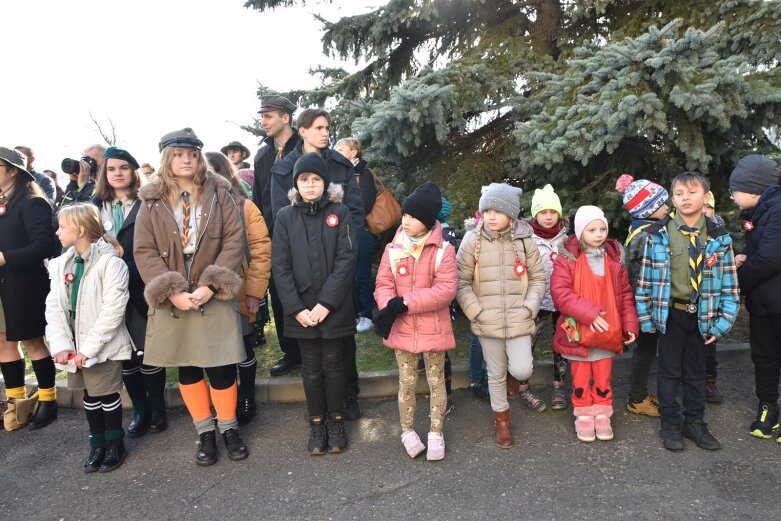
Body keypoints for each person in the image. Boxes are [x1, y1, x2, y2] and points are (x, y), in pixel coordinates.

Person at [134, 128, 249, 466]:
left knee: (222, 363)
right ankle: (205, 431)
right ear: (167, 160)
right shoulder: (151, 199)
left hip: (211, 282)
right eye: (178, 154)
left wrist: (210, 285)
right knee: (187, 365)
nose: (186, 159)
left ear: (200, 158)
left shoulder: (219, 193)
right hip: (174, 289)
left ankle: (229, 427)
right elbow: (144, 250)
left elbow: (234, 240)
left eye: (192, 154)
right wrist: (172, 291)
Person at [271, 108, 366, 420]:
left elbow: (354, 210)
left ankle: (348, 395)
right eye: (319, 127)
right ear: (302, 130)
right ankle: (319, 409)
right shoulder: (283, 168)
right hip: (300, 268)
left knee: (342, 341)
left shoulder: (339, 164)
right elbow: (279, 214)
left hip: (336, 261)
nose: (326, 133)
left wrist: (340, 236)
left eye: (328, 127)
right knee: (311, 353)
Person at [635, 172, 739, 452]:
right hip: (670, 314)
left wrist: (722, 324)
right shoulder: (657, 236)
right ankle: (670, 423)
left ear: (705, 198)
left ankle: (695, 422)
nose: (685, 198)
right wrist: (646, 320)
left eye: (692, 193)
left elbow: (730, 286)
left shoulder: (720, 239)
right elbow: (644, 282)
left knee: (695, 372)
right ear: (673, 198)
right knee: (668, 373)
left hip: (703, 316)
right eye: (679, 193)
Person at [272, 153, 357, 454]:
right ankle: (316, 422)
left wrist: (326, 304)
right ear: (296, 183)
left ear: (325, 182)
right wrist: (296, 308)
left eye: (316, 179)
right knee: (310, 367)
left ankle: (336, 421)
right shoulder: (285, 217)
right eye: (304, 180)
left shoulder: (340, 211)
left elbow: (346, 260)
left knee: (334, 365)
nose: (310, 185)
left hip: (332, 308)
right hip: (302, 310)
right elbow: (280, 267)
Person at [456, 183, 546, 448]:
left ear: (511, 213)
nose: (491, 216)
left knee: (522, 368)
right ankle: (502, 422)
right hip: (487, 320)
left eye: (497, 211)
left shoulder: (524, 240)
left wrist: (529, 307)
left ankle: (513, 378)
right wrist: (476, 311)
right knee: (495, 373)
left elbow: (538, 278)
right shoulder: (472, 241)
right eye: (486, 211)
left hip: (519, 318)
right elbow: (461, 283)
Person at [46, 204, 133, 472]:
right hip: (74, 345)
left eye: (62, 226)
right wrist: (61, 344)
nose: (57, 232)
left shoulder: (111, 264)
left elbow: (113, 311)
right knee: (89, 395)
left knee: (105, 393)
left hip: (100, 346)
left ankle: (115, 443)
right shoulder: (61, 265)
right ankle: (97, 443)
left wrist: (89, 347)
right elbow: (54, 307)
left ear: (80, 230)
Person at [375, 182, 457, 460]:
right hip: (403, 328)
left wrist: (405, 303)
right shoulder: (393, 248)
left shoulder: (444, 251)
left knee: (436, 382)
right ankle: (407, 430)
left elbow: (444, 291)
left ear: (428, 220)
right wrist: (388, 305)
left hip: (433, 327)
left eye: (413, 216)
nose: (405, 220)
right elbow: (383, 283)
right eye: (405, 215)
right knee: (407, 381)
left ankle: (436, 431)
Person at [91, 146, 168, 437]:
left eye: (123, 168)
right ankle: (140, 410)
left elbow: (158, 246)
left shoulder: (149, 202)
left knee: (147, 351)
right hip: (109, 291)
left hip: (141, 285)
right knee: (125, 355)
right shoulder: (95, 206)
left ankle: (158, 408)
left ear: (133, 171)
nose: (118, 173)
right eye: (111, 169)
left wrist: (131, 271)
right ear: (105, 174)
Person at [550, 205, 639, 442]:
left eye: (602, 228)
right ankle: (583, 413)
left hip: (607, 330)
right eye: (592, 230)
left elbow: (625, 295)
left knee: (602, 374)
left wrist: (630, 324)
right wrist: (590, 314)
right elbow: (561, 293)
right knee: (580, 375)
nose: (599, 234)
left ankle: (602, 411)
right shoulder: (567, 260)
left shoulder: (614, 260)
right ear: (580, 233)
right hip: (580, 330)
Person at [206, 151, 271, 426]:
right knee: (216, 352)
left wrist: (255, 290)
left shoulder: (244, 206)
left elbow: (260, 250)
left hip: (240, 290)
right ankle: (225, 401)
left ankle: (247, 397)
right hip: (207, 295)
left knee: (243, 345)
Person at [0, 147, 58, 429]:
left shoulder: (32, 202)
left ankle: (48, 400)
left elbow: (44, 246)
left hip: (24, 285)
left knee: (32, 341)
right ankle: (15, 405)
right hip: (2, 284)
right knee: (3, 342)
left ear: (13, 171)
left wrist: (5, 258)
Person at [728, 154, 781, 441]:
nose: (733, 197)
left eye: (735, 190)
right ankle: (767, 408)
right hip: (763, 304)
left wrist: (736, 283)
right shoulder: (759, 212)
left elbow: (771, 259)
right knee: (764, 357)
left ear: (753, 189)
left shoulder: (777, 209)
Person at [252, 95, 302, 377]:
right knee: (279, 294)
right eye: (262, 116)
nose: (264, 121)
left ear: (286, 117)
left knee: (306, 291)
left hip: (304, 234)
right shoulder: (262, 155)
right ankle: (290, 351)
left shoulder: (305, 146)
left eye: (269, 115)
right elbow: (259, 200)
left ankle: (310, 348)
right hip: (273, 237)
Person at [615, 174, 668, 418]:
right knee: (645, 351)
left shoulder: (648, 229)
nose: (667, 208)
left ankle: (640, 394)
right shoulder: (645, 235)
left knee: (648, 350)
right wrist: (644, 306)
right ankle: (636, 398)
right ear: (647, 210)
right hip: (647, 304)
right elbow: (636, 276)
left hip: (651, 302)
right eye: (661, 204)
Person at [528, 184, 569, 411]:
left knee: (561, 345)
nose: (548, 217)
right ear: (536, 214)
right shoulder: (527, 239)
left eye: (553, 212)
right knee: (528, 344)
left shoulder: (567, 238)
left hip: (562, 302)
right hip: (537, 302)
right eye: (543, 212)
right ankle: (524, 386)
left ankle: (558, 386)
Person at [334, 137, 377, 333]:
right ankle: (354, 312)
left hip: (361, 232)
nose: (336, 151)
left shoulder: (364, 174)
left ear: (353, 152)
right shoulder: (336, 172)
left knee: (362, 274)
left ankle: (367, 314)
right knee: (346, 274)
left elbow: (365, 204)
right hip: (341, 231)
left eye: (341, 148)